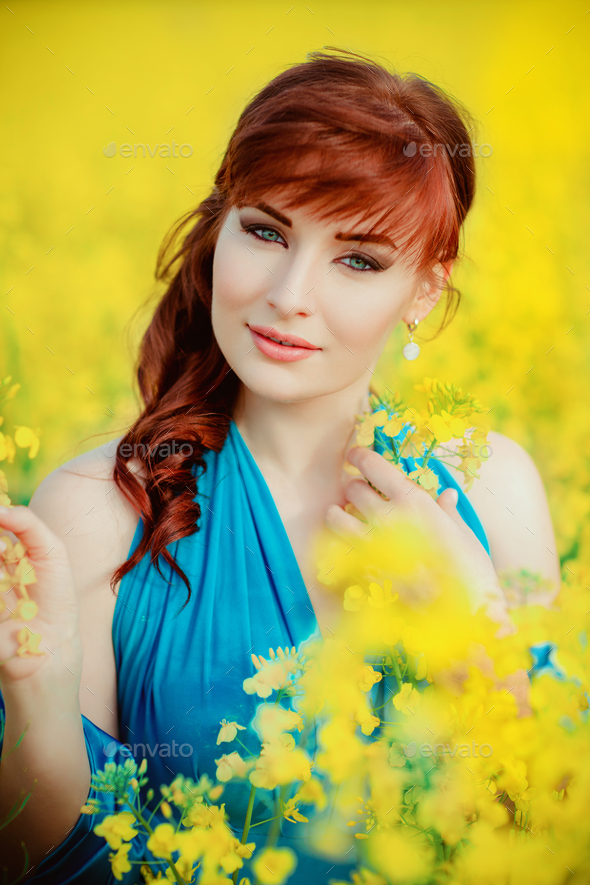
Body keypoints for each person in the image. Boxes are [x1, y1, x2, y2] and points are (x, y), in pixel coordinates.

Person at [0, 48, 560, 883]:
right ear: (219, 227)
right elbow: (56, 859)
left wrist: (473, 633)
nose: (289, 292)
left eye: (358, 259)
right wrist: (35, 705)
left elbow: (548, 836)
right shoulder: (99, 509)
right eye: (265, 231)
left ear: (424, 293)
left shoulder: (493, 494)